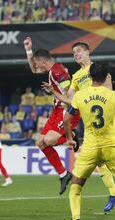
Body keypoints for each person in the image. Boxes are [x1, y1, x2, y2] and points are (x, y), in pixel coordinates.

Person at [47, 42, 115, 213]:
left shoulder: (98, 69)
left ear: (88, 52)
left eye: (79, 51)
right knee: (99, 159)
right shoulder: (76, 76)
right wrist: (54, 93)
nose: (76, 54)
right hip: (91, 120)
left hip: (110, 115)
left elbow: (108, 91)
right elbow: (70, 100)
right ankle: (114, 193)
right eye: (73, 53)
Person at [58, 62, 115, 220]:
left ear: (90, 76)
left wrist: (69, 138)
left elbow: (66, 119)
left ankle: (76, 219)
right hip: (110, 146)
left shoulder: (80, 96)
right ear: (106, 77)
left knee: (76, 183)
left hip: (90, 148)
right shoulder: (113, 96)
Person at [24, 37, 74, 195]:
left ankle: (72, 136)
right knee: (40, 142)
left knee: (49, 140)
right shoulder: (53, 70)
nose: (36, 67)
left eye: (36, 62)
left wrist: (69, 109)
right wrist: (28, 50)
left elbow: (71, 93)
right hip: (56, 111)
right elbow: (33, 69)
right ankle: (64, 174)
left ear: (41, 61)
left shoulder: (58, 71)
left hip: (65, 110)